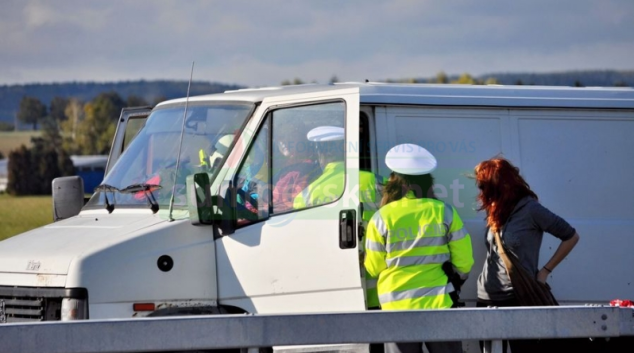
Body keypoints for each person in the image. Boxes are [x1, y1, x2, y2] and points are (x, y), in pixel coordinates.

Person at [364, 144, 474, 353]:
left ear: (394, 183)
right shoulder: (444, 212)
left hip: (396, 309)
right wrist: (457, 278)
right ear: (428, 181)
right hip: (439, 305)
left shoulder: (381, 218)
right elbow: (465, 262)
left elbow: (374, 268)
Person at [473, 157, 580, 353]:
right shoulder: (496, 209)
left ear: (501, 185)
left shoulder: (530, 210)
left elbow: (571, 236)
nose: (482, 192)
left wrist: (545, 271)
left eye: (485, 187)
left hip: (518, 297)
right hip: (486, 298)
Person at [271, 121, 321, 213]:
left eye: (290, 135)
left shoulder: (305, 170)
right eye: (280, 137)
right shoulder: (286, 168)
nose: (283, 141)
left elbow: (295, 207)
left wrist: (261, 210)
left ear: (302, 138)